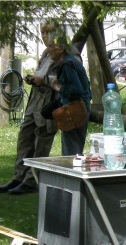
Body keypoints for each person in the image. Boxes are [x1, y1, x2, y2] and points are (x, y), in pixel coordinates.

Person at [0, 20, 61, 195]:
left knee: (41, 142)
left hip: (49, 104)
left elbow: (64, 83)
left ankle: (32, 181)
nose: (45, 37)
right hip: (35, 100)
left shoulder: (67, 53)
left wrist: (44, 81)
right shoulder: (47, 53)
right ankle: (19, 177)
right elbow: (43, 73)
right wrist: (34, 79)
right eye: (43, 33)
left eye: (48, 33)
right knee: (25, 137)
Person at [45, 28, 92, 156]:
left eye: (50, 46)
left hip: (75, 109)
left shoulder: (67, 64)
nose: (48, 49)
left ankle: (73, 176)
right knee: (73, 150)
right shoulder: (71, 62)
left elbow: (77, 90)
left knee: (71, 153)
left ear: (61, 48)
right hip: (80, 107)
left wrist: (59, 88)